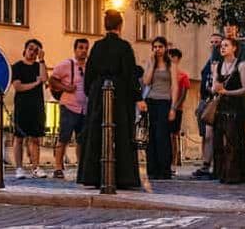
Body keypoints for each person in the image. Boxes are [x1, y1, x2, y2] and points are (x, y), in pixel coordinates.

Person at [77, 10, 145, 189]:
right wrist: (137, 97)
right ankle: (124, 177)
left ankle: (92, 176)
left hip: (98, 92)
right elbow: (130, 75)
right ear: (120, 26)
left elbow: (89, 73)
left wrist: (91, 92)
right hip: (120, 93)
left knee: (95, 132)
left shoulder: (97, 46)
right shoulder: (124, 47)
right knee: (122, 132)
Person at [211, 37, 245, 183]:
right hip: (221, 107)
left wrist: (227, 92)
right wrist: (215, 87)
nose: (222, 48)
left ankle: (235, 175)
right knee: (219, 142)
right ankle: (223, 173)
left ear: (234, 48)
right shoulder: (218, 65)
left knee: (234, 142)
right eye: (221, 46)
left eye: (226, 45)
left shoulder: (241, 65)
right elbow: (214, 86)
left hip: (235, 108)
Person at [50, 38, 89, 179]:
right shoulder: (66, 65)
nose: (83, 50)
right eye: (81, 47)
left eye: (85, 48)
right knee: (64, 137)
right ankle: (58, 167)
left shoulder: (90, 66)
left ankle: (81, 166)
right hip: (69, 106)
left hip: (85, 109)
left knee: (82, 140)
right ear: (75, 49)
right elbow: (52, 80)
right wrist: (66, 87)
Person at [143, 36, 179, 179]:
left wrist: (173, 107)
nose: (157, 49)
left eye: (160, 47)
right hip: (151, 100)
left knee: (162, 135)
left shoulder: (172, 65)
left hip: (165, 102)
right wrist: (152, 64)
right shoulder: (150, 62)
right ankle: (152, 169)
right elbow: (146, 81)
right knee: (151, 135)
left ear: (165, 48)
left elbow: (175, 87)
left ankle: (164, 169)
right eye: (155, 47)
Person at [11, 39, 48, 179]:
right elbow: (18, 87)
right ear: (25, 50)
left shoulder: (39, 66)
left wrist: (42, 60)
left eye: (36, 50)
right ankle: (19, 168)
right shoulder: (17, 67)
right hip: (22, 106)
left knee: (35, 138)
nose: (33, 52)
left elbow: (44, 79)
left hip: (37, 106)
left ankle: (35, 167)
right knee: (19, 138)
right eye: (31, 49)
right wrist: (35, 83)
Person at [192, 33, 222, 179]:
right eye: (212, 42)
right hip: (205, 101)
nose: (214, 45)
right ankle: (205, 164)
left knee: (212, 135)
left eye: (217, 42)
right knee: (205, 135)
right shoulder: (208, 61)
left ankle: (213, 165)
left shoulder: (222, 62)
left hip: (216, 100)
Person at [169, 48, 190, 169]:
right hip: (165, 107)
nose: (171, 59)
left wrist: (175, 106)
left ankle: (175, 160)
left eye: (173, 57)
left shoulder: (183, 76)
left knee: (174, 134)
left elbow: (183, 94)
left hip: (177, 108)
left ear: (177, 59)